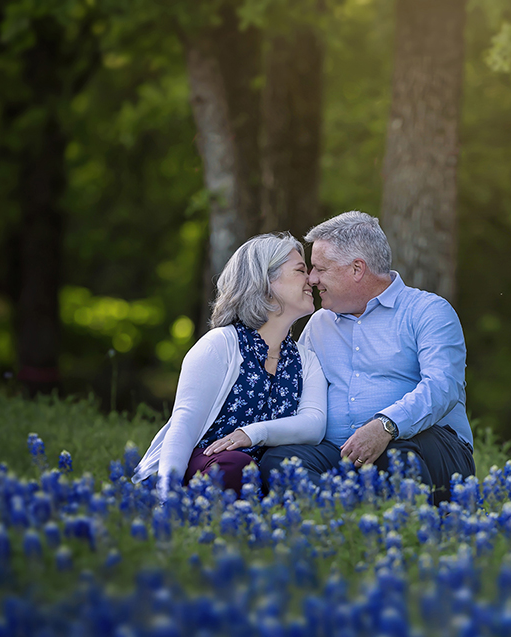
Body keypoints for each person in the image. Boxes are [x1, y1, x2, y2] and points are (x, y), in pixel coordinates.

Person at [133, 233, 336, 495]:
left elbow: (314, 425)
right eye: (300, 270)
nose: (311, 279)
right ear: (266, 281)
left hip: (258, 477)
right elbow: (182, 428)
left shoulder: (305, 360)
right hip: (202, 468)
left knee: (281, 469)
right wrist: (166, 496)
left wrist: (252, 433)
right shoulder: (221, 344)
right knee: (235, 464)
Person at [296, 211, 475, 504]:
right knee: (281, 459)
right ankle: (337, 525)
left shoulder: (428, 311)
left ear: (357, 269)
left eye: (320, 269)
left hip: (422, 447)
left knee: (396, 456)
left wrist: (386, 426)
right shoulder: (319, 323)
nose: (312, 279)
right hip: (341, 453)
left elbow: (443, 386)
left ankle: (401, 533)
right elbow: (298, 389)